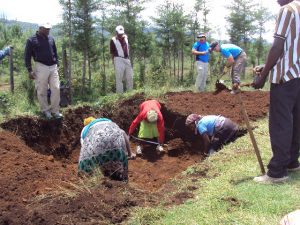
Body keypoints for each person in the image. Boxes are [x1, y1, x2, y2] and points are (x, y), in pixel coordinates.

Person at [252, 0, 300, 184]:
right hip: (297, 75)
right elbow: (292, 50)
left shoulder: (286, 10)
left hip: (284, 77)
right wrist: (268, 66)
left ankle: (277, 172)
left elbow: (278, 46)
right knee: (295, 121)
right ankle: (291, 161)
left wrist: (263, 76)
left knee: (281, 123)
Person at [78, 117, 135, 182]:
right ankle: (122, 181)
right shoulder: (107, 121)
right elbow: (123, 133)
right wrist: (130, 153)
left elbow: (85, 147)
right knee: (120, 166)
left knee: (87, 165)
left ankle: (93, 181)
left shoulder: (85, 129)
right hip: (116, 141)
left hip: (98, 143)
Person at [24, 22, 62, 119]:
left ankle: (55, 111)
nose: (48, 30)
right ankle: (45, 111)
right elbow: (27, 55)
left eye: (49, 29)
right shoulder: (31, 40)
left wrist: (57, 63)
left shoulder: (51, 38)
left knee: (56, 88)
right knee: (42, 89)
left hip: (53, 66)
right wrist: (29, 70)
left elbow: (55, 52)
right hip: (41, 66)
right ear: (40, 28)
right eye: (46, 29)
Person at [110, 25, 133, 94]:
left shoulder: (126, 38)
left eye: (122, 33)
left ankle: (130, 93)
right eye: (119, 34)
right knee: (119, 78)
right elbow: (112, 53)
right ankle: (120, 95)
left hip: (127, 59)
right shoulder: (113, 40)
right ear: (116, 32)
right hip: (118, 59)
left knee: (130, 77)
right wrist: (114, 62)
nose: (120, 35)